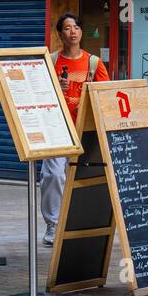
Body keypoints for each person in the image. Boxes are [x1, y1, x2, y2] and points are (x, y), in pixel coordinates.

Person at [41, 13, 110, 245]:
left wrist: (93, 90)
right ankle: (53, 224)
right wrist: (54, 88)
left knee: (86, 177)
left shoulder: (93, 62)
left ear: (81, 32)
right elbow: (38, 94)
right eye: (67, 28)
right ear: (60, 34)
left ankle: (81, 225)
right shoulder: (50, 61)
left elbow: (105, 96)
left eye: (76, 27)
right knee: (53, 174)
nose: (73, 31)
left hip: (85, 128)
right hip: (58, 125)